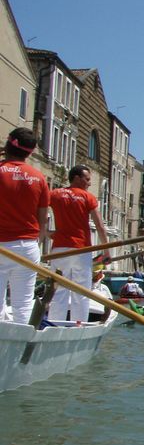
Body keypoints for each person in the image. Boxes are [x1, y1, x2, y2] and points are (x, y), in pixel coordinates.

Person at [0, 128, 50, 324]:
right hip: (27, 248)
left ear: (7, 145)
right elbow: (43, 220)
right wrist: (36, 247)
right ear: (30, 152)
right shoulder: (39, 178)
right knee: (23, 305)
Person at [48, 165, 110, 322]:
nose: (89, 183)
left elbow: (37, 211)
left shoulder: (54, 194)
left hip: (60, 249)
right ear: (76, 178)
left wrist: (47, 233)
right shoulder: (88, 197)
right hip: (81, 249)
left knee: (58, 290)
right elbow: (100, 227)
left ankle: (55, 324)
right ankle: (78, 325)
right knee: (81, 291)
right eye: (87, 179)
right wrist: (107, 252)